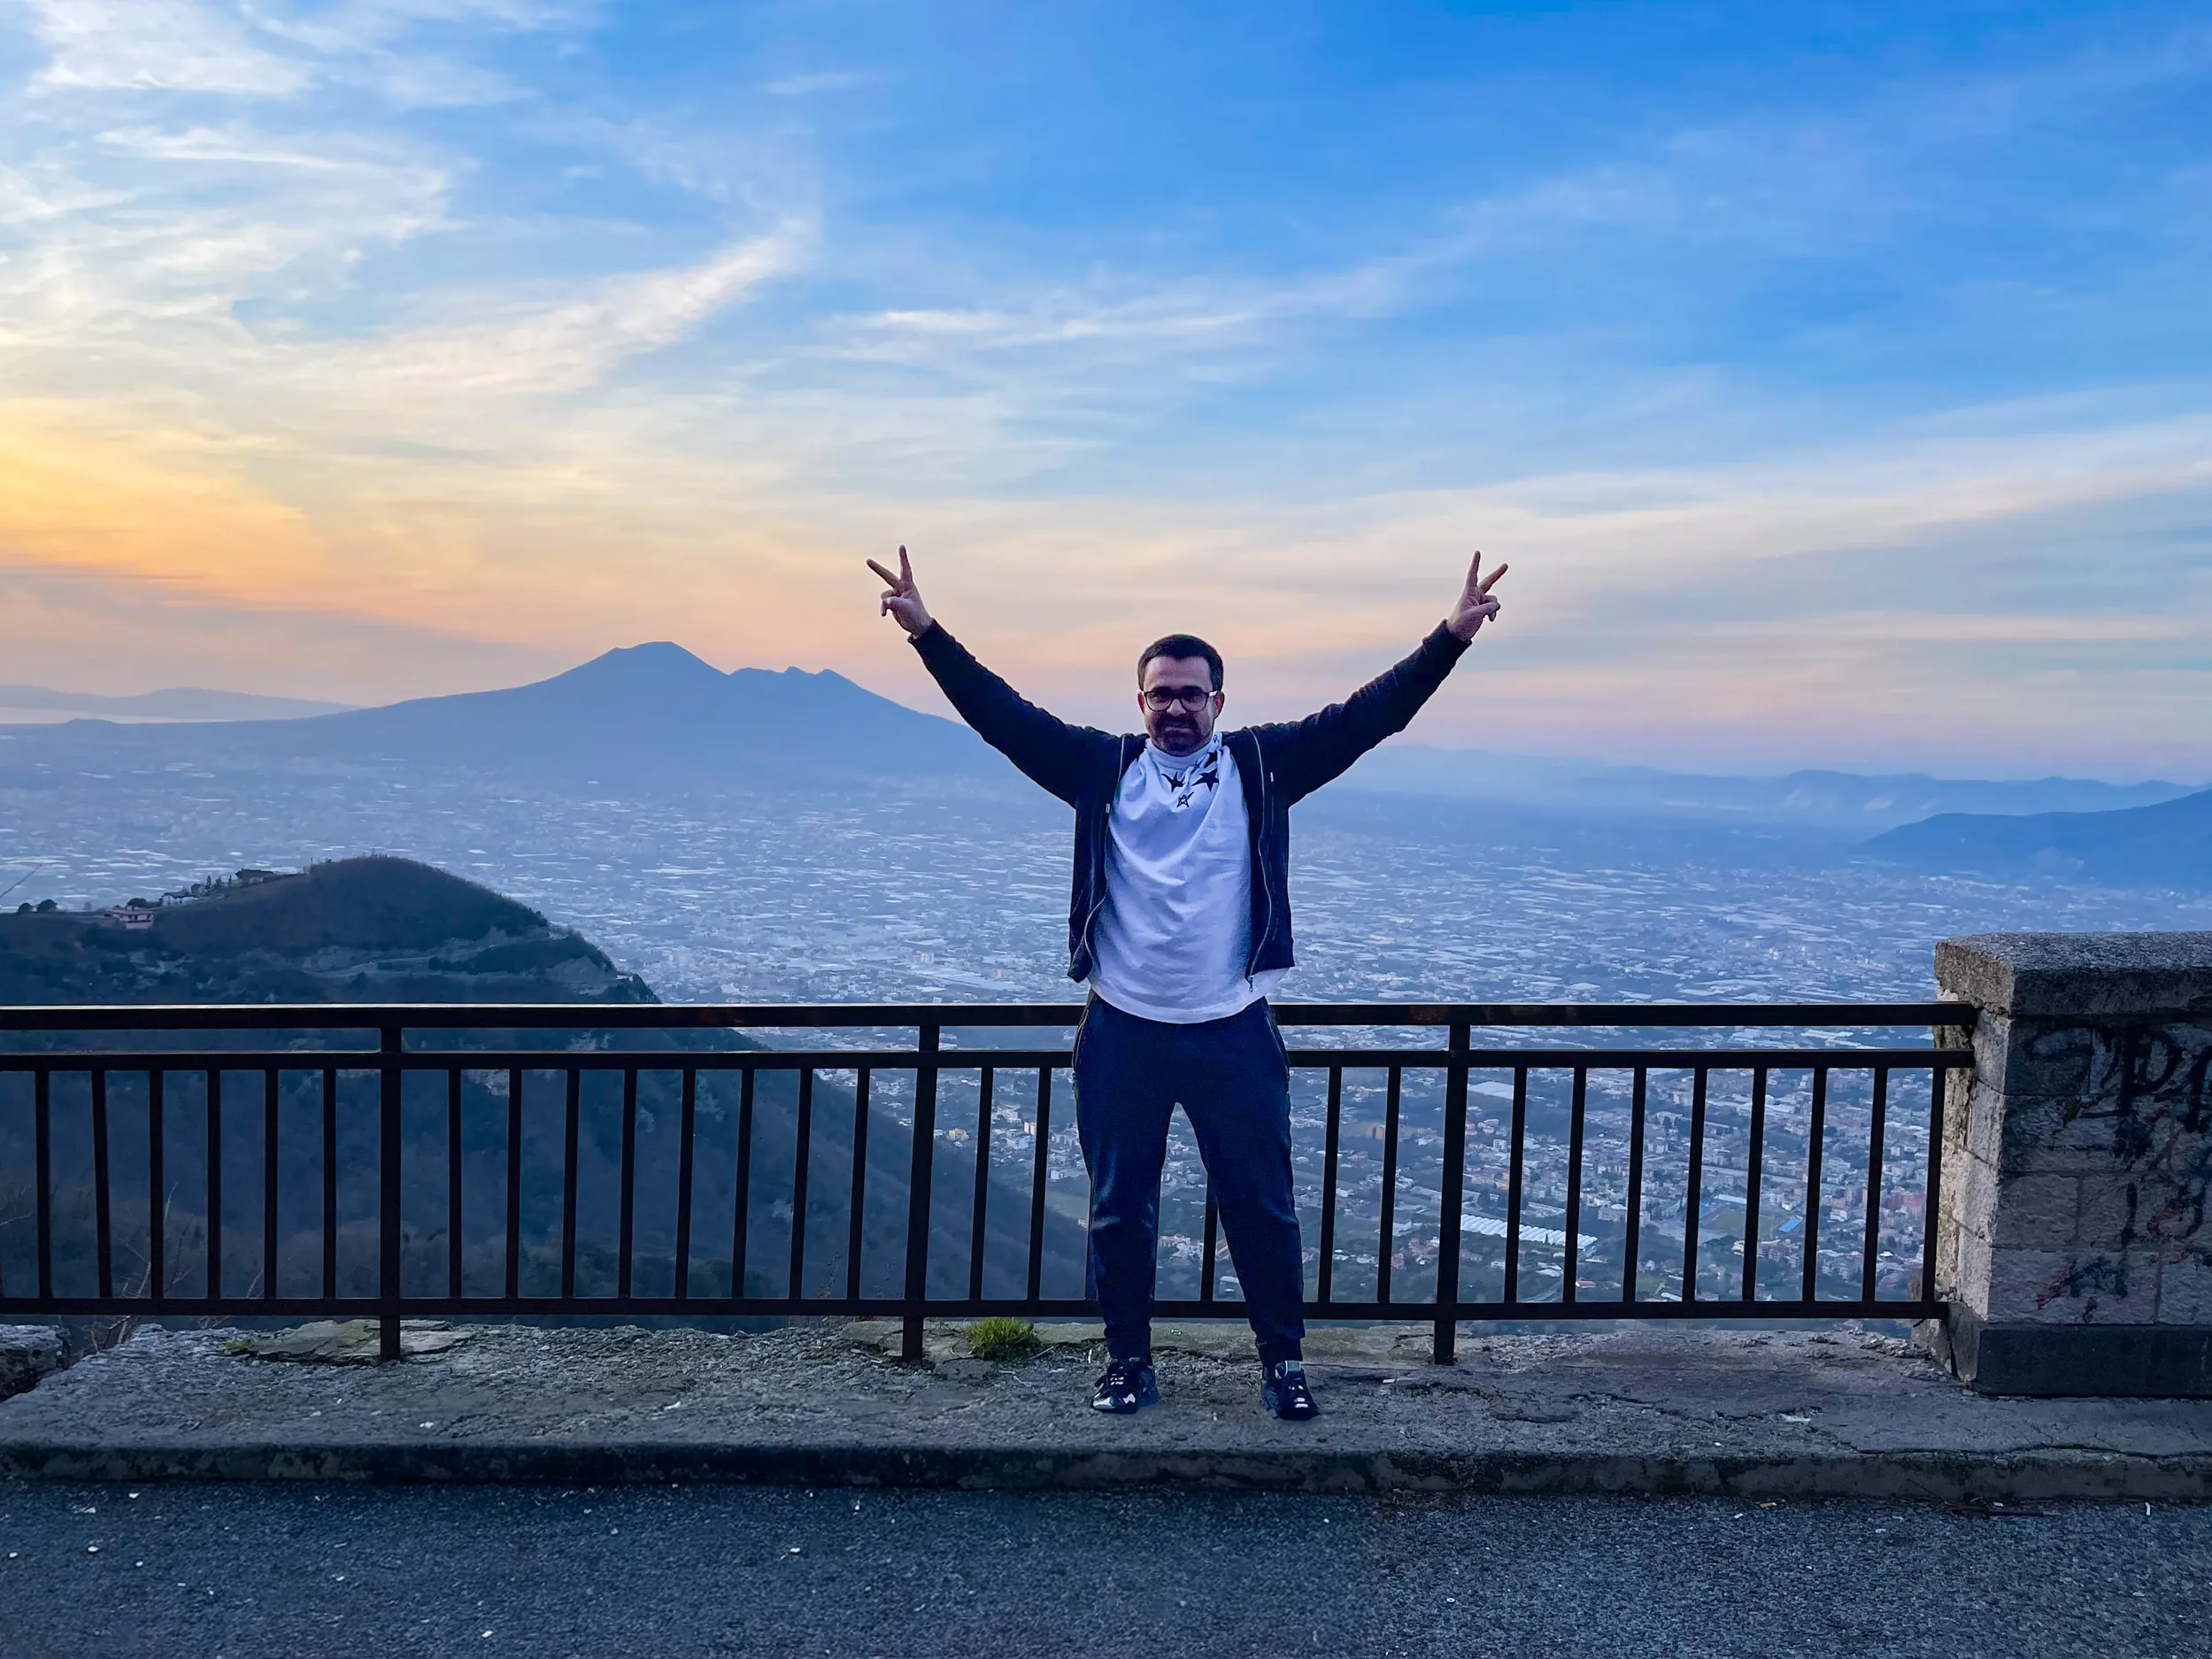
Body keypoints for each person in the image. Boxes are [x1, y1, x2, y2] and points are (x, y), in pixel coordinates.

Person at [868, 545, 1507, 1420]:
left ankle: (1283, 1361)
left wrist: (1450, 637)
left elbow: (1369, 716)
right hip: (1124, 1027)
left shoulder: (1265, 766)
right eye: (1160, 692)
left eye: (1191, 692)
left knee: (1261, 1208)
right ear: (1140, 702)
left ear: (1218, 701)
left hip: (1232, 1026)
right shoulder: (1102, 768)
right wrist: (928, 634)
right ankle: (1127, 1360)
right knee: (1119, 1211)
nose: (1175, 705)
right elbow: (1004, 718)